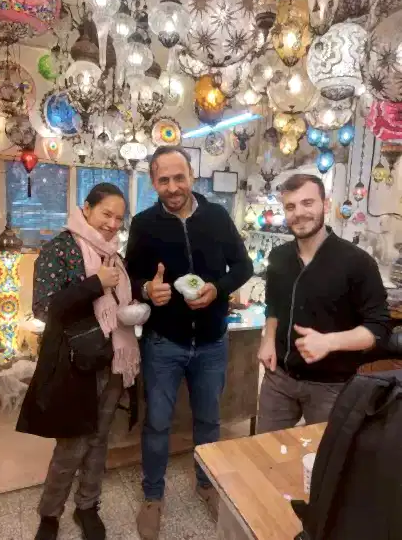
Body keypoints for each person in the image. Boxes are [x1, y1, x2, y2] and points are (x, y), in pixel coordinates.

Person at [126, 145, 253, 540]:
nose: (172, 187)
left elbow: (244, 266)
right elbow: (130, 277)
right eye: (163, 180)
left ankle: (206, 484)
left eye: (179, 177)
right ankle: (152, 497)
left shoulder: (217, 216)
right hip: (163, 343)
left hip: (212, 342)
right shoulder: (144, 224)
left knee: (209, 421)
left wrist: (218, 288)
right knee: (157, 423)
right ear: (153, 182)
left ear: (192, 176)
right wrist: (147, 289)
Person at [16, 183, 140, 540]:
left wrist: (134, 303)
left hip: (112, 363)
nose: (112, 224)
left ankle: (87, 505)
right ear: (86, 209)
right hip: (75, 364)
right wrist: (94, 284)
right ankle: (50, 514)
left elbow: (117, 304)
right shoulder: (60, 249)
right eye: (106, 214)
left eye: (119, 218)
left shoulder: (114, 255)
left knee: (100, 440)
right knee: (71, 445)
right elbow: (46, 307)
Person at [257, 173, 391, 434]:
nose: (299, 213)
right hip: (279, 378)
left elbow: (379, 328)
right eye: (290, 206)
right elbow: (273, 303)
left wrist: (329, 342)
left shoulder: (357, 262)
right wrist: (268, 339)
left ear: (326, 205)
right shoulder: (279, 257)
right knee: (263, 449)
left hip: (331, 385)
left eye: (308, 203)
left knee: (324, 456)